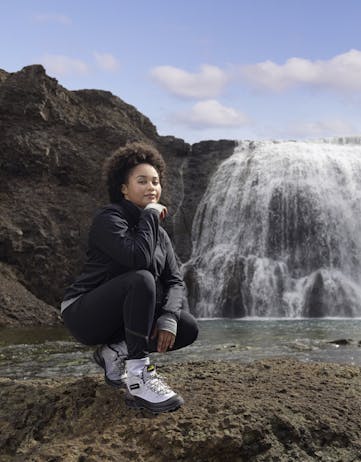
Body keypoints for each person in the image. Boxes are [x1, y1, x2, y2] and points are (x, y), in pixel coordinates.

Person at [61, 142, 198, 413]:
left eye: (156, 182)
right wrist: (149, 215)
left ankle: (113, 353)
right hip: (84, 313)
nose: (152, 187)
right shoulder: (109, 219)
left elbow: (175, 281)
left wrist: (169, 316)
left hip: (123, 319)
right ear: (124, 189)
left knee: (186, 326)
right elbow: (137, 259)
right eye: (142, 181)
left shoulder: (160, 234)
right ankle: (139, 376)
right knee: (142, 279)